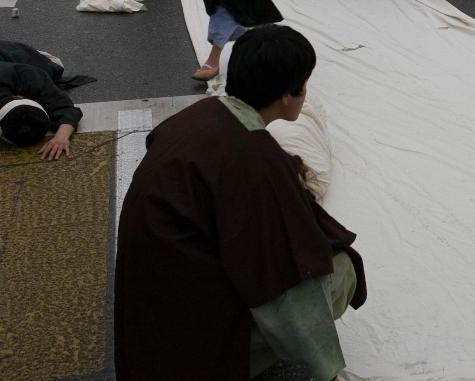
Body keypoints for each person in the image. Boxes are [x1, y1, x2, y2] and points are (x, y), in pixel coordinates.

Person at [115, 26, 366, 381]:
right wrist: (326, 365)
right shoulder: (256, 159)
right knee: (341, 269)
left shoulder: (197, 116)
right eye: (304, 85)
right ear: (288, 95)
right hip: (189, 341)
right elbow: (287, 270)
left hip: (146, 314)